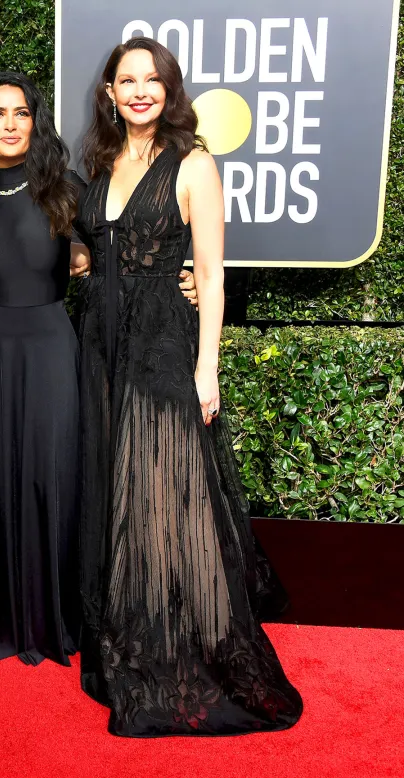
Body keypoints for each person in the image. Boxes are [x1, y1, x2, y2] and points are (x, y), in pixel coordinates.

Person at [74, 38, 303, 736]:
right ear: (109, 91)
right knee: (116, 491)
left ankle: (180, 646)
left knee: (166, 494)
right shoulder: (100, 161)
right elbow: (95, 240)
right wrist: (85, 261)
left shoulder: (194, 162)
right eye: (127, 80)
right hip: (100, 344)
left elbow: (209, 275)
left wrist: (208, 369)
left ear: (170, 91)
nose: (140, 91)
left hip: (162, 345)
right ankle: (127, 631)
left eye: (153, 80)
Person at [0, 72, 199, 665]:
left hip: (50, 345)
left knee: (53, 474)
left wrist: (184, 278)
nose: (10, 124)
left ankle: (55, 614)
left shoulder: (68, 190)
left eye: (21, 113)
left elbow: (128, 248)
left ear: (36, 122)